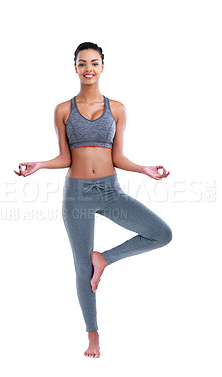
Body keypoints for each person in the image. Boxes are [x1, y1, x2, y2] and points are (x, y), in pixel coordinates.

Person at [14, 41, 172, 359]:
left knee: (162, 234)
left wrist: (144, 169)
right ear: (75, 68)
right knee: (80, 267)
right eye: (82, 63)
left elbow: (118, 156)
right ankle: (93, 335)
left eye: (94, 63)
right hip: (77, 194)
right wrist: (40, 164)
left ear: (102, 67)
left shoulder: (118, 109)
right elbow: (64, 156)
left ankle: (105, 259)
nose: (89, 68)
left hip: (111, 190)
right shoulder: (62, 109)